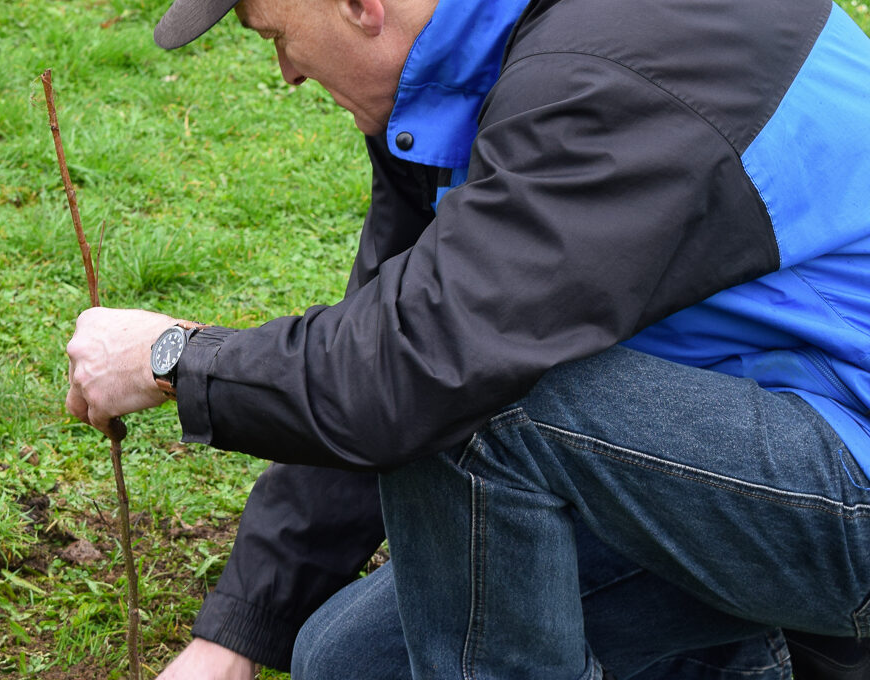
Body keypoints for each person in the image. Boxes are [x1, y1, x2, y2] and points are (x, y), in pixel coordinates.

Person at [65, 0, 870, 676]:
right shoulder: (469, 82)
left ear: (360, 3)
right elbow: (382, 336)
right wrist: (238, 630)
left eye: (276, 34)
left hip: (844, 483)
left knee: (473, 400)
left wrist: (174, 358)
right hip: (733, 449)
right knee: (351, 663)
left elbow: (416, 369)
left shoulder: (604, 73)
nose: (288, 73)